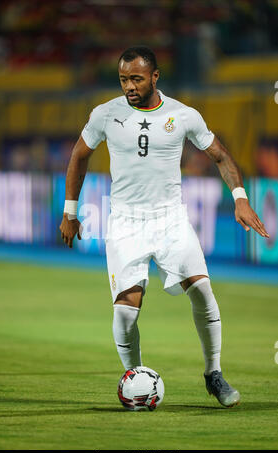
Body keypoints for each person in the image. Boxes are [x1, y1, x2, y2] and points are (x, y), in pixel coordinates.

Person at [60, 46, 269, 408]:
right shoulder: (105, 114)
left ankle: (213, 373)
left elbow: (219, 154)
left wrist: (240, 196)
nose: (129, 86)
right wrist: (70, 211)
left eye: (137, 78)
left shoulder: (183, 115)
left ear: (155, 77)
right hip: (126, 222)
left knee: (203, 292)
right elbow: (80, 155)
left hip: (171, 218)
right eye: (124, 79)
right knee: (125, 312)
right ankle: (135, 378)